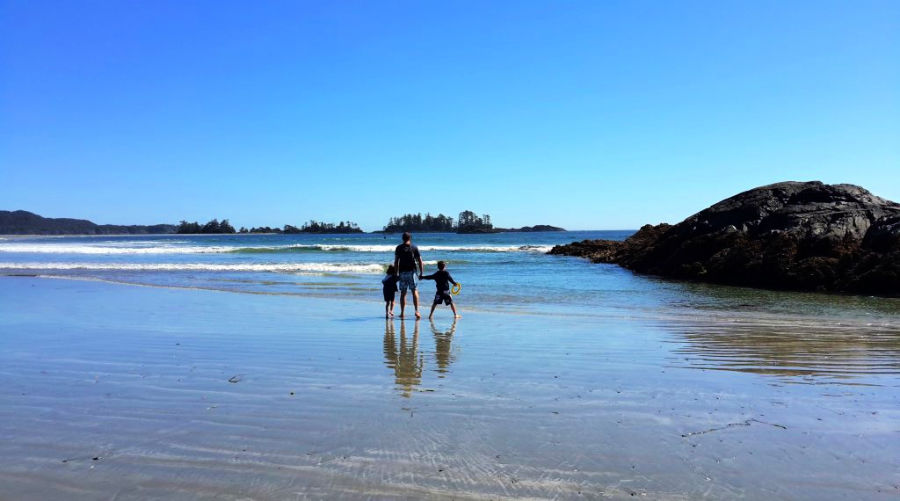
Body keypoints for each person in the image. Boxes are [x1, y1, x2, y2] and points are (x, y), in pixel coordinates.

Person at [393, 232, 424, 319]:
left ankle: (402, 313)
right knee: (414, 291)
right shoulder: (414, 247)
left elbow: (396, 262)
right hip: (412, 272)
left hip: (402, 272)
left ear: (402, 238)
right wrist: (421, 273)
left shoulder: (398, 248)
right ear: (410, 238)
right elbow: (420, 261)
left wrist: (395, 274)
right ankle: (417, 311)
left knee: (403, 293)